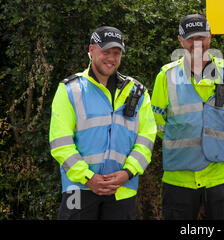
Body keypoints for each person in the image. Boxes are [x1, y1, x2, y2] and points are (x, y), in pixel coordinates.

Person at [49, 26, 156, 219]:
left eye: (116, 53)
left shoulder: (137, 92)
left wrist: (128, 172)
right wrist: (88, 178)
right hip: (79, 188)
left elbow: (147, 138)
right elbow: (60, 143)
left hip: (122, 188)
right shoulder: (69, 89)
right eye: (106, 52)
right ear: (91, 50)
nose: (111, 58)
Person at [151, 14, 224, 220]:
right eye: (191, 39)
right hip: (179, 176)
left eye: (201, 37)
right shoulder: (166, 76)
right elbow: (157, 123)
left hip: (222, 174)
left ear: (210, 37)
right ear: (180, 40)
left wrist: (214, 140)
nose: (197, 43)